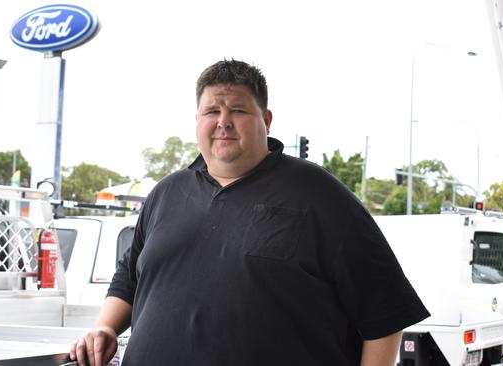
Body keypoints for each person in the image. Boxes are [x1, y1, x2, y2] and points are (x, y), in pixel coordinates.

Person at [70, 59, 429, 366]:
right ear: (197, 119)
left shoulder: (319, 195)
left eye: (237, 110)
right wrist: (105, 327)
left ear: (266, 119)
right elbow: (129, 279)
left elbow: (385, 310)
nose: (223, 121)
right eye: (212, 111)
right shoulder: (166, 193)